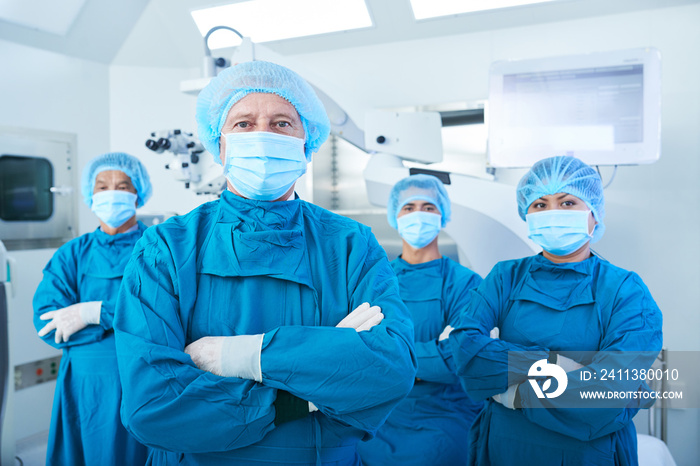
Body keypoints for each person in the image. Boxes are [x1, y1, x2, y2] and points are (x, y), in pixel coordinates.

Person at [112, 60, 417, 465]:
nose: (262, 135)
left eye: (281, 124)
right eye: (243, 124)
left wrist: (244, 356)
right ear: (219, 145)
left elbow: (390, 368)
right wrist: (308, 390)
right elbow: (151, 407)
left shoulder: (349, 245)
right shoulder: (167, 248)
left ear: (307, 143)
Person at [450, 155, 663, 465]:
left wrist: (516, 394)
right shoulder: (505, 277)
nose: (552, 213)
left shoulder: (624, 290)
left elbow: (610, 393)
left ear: (594, 214)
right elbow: (464, 347)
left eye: (567, 203)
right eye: (540, 204)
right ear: (526, 213)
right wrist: (553, 364)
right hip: (505, 450)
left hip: (589, 455)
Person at [33, 152, 151, 466]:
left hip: (142, 377)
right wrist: (121, 323)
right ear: (90, 196)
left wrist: (95, 313)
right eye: (102, 187)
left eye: (123, 185)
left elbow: (161, 311)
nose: (112, 193)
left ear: (138, 194)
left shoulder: (155, 247)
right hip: (85, 385)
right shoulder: (73, 253)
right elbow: (46, 319)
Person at [357, 174, 484, 465]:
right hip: (376, 414)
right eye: (409, 207)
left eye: (428, 207)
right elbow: (357, 350)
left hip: (444, 415)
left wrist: (388, 355)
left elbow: (460, 355)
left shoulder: (465, 283)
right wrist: (428, 356)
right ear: (394, 216)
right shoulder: (376, 281)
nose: (418, 214)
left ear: (443, 215)